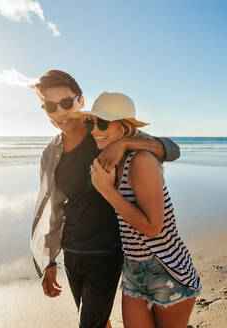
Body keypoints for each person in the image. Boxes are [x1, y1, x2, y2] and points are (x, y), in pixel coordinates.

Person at [30, 70, 181, 328]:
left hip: (107, 252)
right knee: (98, 321)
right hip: (73, 253)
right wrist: (50, 261)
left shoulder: (103, 131)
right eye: (50, 107)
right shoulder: (50, 154)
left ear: (80, 100)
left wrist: (124, 145)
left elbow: (171, 149)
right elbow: (54, 208)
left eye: (66, 103)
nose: (60, 112)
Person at [71, 92, 201, 328]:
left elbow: (153, 228)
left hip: (167, 268)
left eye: (102, 123)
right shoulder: (110, 159)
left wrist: (107, 191)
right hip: (133, 269)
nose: (94, 130)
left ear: (124, 127)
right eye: (91, 122)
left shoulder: (141, 160)